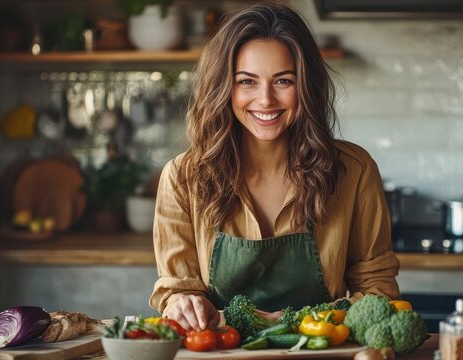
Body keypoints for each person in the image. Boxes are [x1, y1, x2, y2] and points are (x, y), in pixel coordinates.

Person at [149, 3, 400, 332]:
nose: (265, 100)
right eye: (247, 81)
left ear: (306, 86)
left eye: (283, 81)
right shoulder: (184, 178)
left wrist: (296, 323)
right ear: (224, 87)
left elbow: (378, 291)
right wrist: (181, 303)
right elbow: (177, 289)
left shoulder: (354, 171)